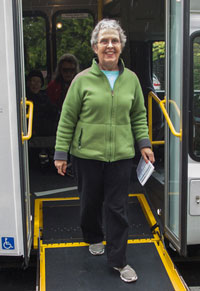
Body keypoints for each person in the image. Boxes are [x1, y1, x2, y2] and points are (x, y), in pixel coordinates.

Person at [54, 19, 155, 283]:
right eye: (104, 41)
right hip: (86, 156)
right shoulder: (81, 80)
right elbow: (67, 119)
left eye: (114, 41)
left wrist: (144, 144)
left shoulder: (131, 79)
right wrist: (61, 153)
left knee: (118, 208)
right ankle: (93, 236)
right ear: (95, 47)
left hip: (120, 157)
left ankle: (119, 260)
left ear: (121, 46)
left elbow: (139, 115)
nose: (110, 45)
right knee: (89, 203)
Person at [26, 70, 58, 165]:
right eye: (33, 81)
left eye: (38, 82)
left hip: (47, 128)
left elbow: (53, 111)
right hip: (33, 129)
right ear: (28, 83)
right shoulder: (24, 97)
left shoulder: (44, 97)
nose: (35, 84)